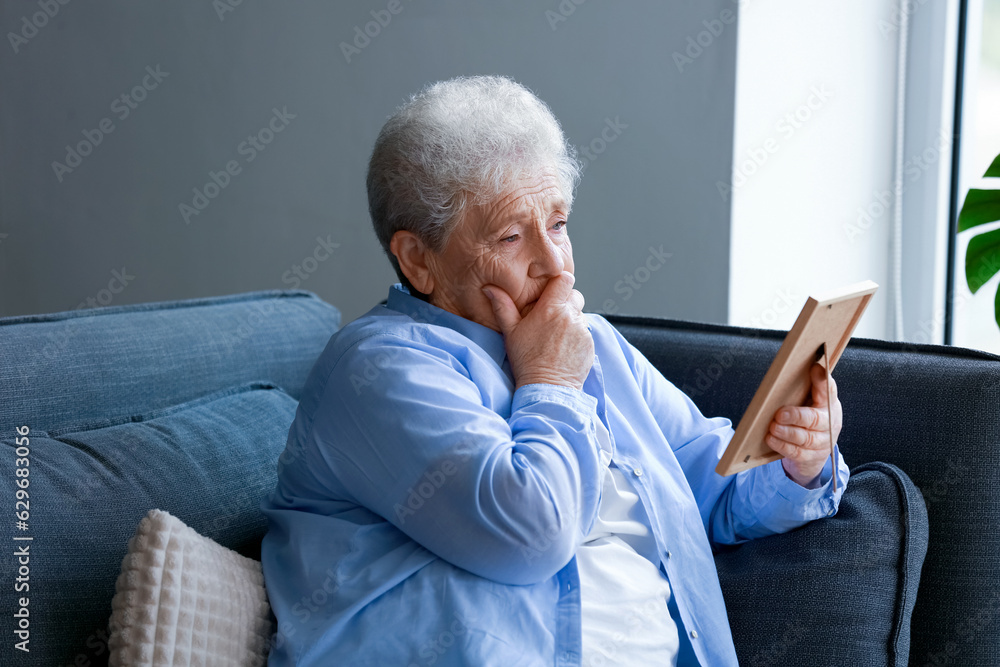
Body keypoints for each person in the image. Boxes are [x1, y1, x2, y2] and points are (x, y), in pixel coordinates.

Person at [261, 75, 849, 666]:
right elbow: (530, 535)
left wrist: (799, 460)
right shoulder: (380, 370)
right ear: (419, 260)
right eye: (512, 236)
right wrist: (551, 382)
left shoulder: (594, 344)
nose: (554, 264)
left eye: (560, 224)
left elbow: (714, 481)